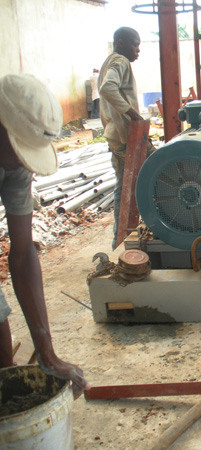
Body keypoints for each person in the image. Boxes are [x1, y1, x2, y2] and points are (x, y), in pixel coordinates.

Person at [0, 73, 89, 398]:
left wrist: (48, 355)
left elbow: (22, 255)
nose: (23, 163)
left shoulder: (14, 165)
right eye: (20, 150)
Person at [98, 27, 145, 250]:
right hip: (123, 136)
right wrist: (132, 113)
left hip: (118, 134)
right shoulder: (120, 62)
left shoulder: (111, 61)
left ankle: (123, 235)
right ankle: (122, 237)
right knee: (126, 186)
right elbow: (107, 88)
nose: (138, 50)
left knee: (126, 184)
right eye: (135, 44)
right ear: (120, 42)